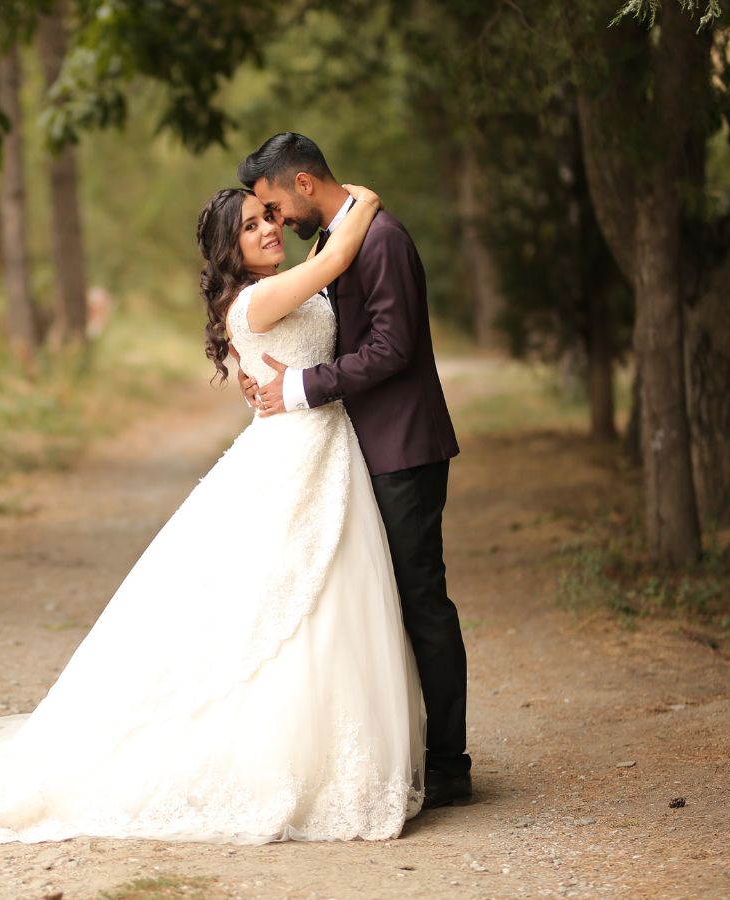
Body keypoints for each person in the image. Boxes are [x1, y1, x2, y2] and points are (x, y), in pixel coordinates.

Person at [0, 182, 427, 844]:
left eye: (269, 218)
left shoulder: (274, 291)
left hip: (320, 448)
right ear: (229, 248)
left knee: (322, 599)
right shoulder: (257, 299)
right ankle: (282, 760)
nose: (270, 228)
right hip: (292, 455)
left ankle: (327, 749)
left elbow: (290, 346)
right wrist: (362, 200)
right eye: (254, 224)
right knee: (279, 603)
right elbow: (337, 259)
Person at [237, 132, 470, 808]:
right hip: (358, 450)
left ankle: (451, 764)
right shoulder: (333, 242)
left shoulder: (383, 239)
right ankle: (395, 754)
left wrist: (304, 386)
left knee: (422, 602)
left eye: (275, 205)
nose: (276, 220)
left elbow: (393, 349)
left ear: (304, 185)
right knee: (373, 607)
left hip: (404, 448)